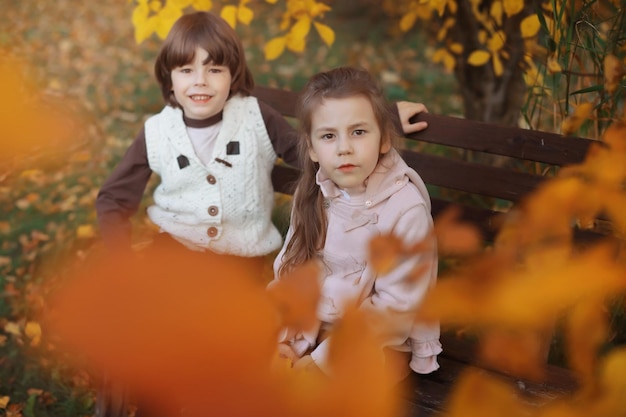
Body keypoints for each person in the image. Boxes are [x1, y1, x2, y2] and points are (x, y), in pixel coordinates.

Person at [95, 11, 430, 261]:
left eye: (214, 70)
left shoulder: (255, 116)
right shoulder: (157, 132)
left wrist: (385, 121)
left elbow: (317, 144)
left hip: (241, 258)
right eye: (186, 70)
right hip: (173, 250)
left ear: (233, 75)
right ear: (170, 79)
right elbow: (114, 198)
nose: (200, 81)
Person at [272, 66, 441, 382]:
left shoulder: (405, 209)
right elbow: (294, 273)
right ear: (312, 148)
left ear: (384, 140)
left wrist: (322, 362)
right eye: (328, 136)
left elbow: (395, 309)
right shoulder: (312, 195)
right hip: (315, 327)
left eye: (359, 132)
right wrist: (287, 338)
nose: (344, 147)